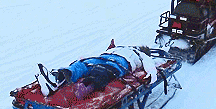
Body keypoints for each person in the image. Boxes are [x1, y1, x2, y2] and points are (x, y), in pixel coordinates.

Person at [36, 41, 164, 98]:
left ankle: (68, 80)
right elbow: (148, 64)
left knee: (84, 66)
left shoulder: (138, 53)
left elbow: (148, 63)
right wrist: (152, 73)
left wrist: (152, 73)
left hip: (109, 59)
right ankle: (57, 78)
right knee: (92, 67)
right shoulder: (137, 53)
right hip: (117, 61)